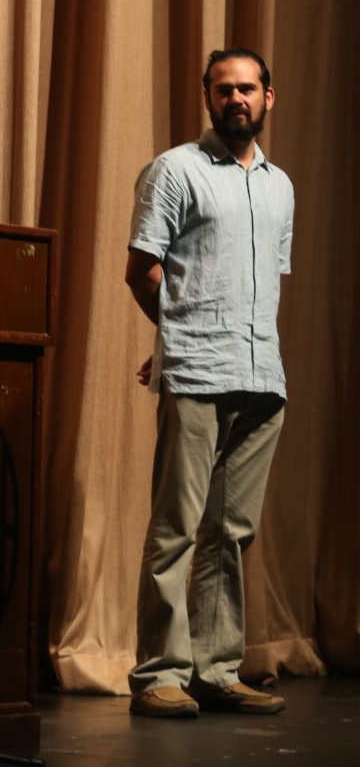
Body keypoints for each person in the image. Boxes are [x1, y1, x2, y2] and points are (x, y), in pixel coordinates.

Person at [125, 49, 294, 719]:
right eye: (224, 89)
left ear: (267, 97)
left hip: (262, 378)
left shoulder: (280, 186)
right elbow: (142, 270)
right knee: (177, 526)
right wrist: (175, 337)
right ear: (207, 97)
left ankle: (216, 670)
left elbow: (264, 282)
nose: (236, 99)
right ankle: (159, 673)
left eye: (247, 88)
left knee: (231, 532)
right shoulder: (175, 170)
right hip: (197, 372)